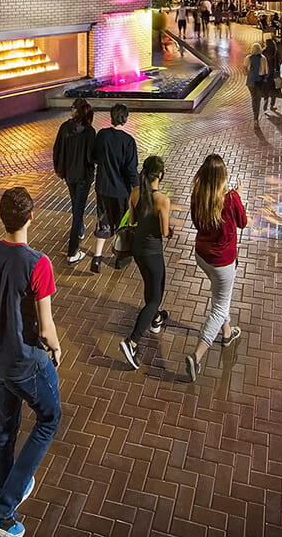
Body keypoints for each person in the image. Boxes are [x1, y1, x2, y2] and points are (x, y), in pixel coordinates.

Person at [0, 187, 61, 537]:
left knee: (5, 430)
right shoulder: (38, 263)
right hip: (27, 361)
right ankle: (3, 509)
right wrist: (55, 349)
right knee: (49, 418)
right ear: (31, 217)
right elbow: (46, 326)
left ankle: (7, 491)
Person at [186, 154, 247, 382]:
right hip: (223, 262)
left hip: (202, 256)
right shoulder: (230, 199)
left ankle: (227, 332)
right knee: (219, 307)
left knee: (221, 296)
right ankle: (197, 355)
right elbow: (243, 222)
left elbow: (195, 221)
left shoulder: (198, 194)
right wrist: (238, 196)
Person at [118, 156, 170, 370]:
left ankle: (156, 318)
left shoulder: (135, 192)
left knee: (150, 285)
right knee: (156, 296)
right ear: (160, 175)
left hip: (137, 249)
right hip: (153, 251)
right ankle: (132, 341)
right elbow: (165, 232)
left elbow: (131, 221)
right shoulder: (162, 200)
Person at [88, 103, 139, 274]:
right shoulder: (128, 142)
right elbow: (131, 170)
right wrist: (137, 188)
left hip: (102, 187)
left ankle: (97, 257)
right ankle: (119, 257)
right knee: (121, 224)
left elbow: (94, 156)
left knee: (103, 221)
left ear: (111, 117)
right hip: (121, 191)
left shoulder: (102, 135)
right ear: (125, 119)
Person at [52, 98, 96, 265]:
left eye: (73, 108)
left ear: (78, 111)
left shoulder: (65, 128)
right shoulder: (90, 132)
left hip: (69, 175)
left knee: (76, 205)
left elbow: (57, 150)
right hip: (83, 177)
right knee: (77, 212)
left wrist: (59, 169)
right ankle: (72, 252)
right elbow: (92, 157)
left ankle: (80, 229)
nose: (71, 110)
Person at [243, 42, 271, 123]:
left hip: (250, 82)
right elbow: (266, 71)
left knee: (253, 98)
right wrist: (265, 79)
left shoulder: (248, 58)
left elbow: (244, 69)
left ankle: (254, 112)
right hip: (259, 82)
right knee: (258, 99)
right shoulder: (263, 58)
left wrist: (248, 74)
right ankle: (256, 117)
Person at [263, 37, 282, 113]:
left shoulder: (264, 52)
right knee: (274, 90)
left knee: (266, 89)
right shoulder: (276, 52)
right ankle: (272, 105)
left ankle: (265, 102)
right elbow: (280, 61)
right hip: (274, 74)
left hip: (266, 74)